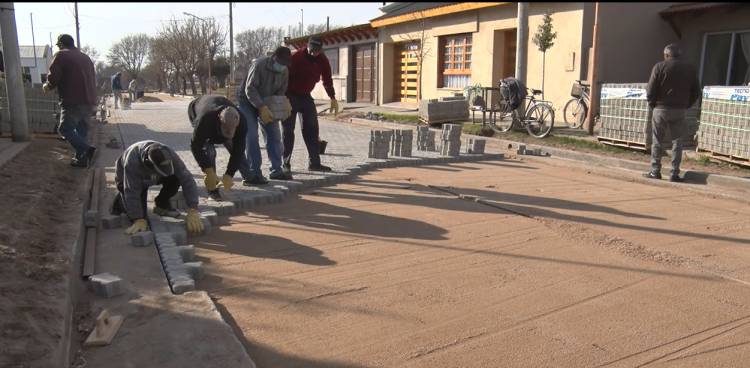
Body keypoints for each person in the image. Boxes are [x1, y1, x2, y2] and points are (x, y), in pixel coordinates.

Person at [110, 140, 204, 235]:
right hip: (127, 179)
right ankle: (120, 203)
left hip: (153, 175)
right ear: (150, 164)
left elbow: (187, 180)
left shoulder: (169, 154)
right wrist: (137, 218)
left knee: (175, 179)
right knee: (140, 217)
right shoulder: (132, 162)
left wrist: (193, 208)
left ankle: (161, 205)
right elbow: (131, 191)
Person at [236, 46, 293, 185]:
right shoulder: (259, 65)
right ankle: (253, 173)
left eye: (285, 63)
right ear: (274, 57)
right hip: (247, 101)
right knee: (252, 136)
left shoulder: (284, 70)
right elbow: (250, 89)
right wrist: (260, 107)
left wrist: (281, 105)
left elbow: (281, 90)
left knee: (274, 135)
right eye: (281, 62)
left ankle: (276, 170)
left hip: (268, 102)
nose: (283, 66)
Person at [282, 35, 339, 173]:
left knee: (312, 130)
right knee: (288, 131)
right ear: (308, 46)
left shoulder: (322, 60)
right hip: (290, 95)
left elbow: (327, 79)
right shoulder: (296, 58)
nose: (314, 53)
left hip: (306, 96)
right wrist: (283, 98)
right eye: (312, 50)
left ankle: (314, 163)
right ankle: (285, 164)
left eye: (317, 50)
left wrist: (332, 97)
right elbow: (284, 79)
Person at [644, 43, 700, 183]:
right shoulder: (690, 69)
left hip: (661, 108)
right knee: (677, 142)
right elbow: (696, 91)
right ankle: (674, 173)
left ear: (666, 55)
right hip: (680, 110)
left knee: (657, 141)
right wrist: (686, 105)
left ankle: (655, 171)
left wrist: (653, 104)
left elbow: (651, 89)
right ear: (679, 55)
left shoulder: (659, 66)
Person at [43, 34, 97, 168]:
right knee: (81, 131)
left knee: (65, 129)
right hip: (89, 100)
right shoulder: (86, 57)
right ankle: (82, 160)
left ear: (61, 44)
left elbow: (54, 77)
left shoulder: (61, 55)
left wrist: (48, 86)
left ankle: (86, 149)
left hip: (72, 100)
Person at [188, 94, 247, 201]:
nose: (228, 134)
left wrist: (229, 174)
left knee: (232, 146)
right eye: (225, 131)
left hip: (216, 105)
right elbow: (195, 146)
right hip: (195, 109)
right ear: (219, 120)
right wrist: (207, 169)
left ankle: (248, 176)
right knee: (210, 152)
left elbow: (239, 150)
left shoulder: (242, 122)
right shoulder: (204, 120)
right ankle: (212, 189)